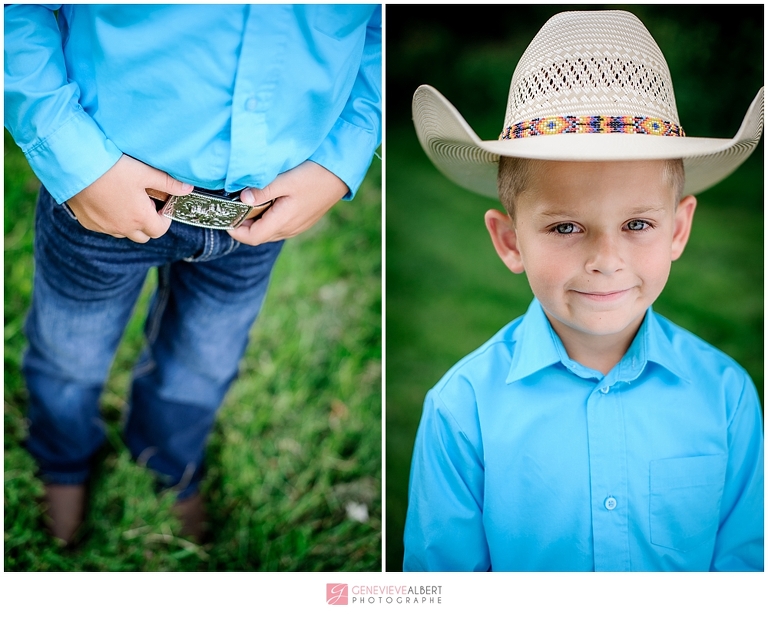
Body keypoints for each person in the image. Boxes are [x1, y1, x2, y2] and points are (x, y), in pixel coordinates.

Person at [4, 4, 382, 545]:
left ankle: (168, 457)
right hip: (106, 188)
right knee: (71, 352)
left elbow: (379, 29)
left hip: (255, 214)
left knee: (204, 359)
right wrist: (72, 152)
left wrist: (341, 157)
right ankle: (61, 458)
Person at [403, 10, 763, 571]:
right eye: (565, 227)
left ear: (679, 229)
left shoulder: (727, 399)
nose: (605, 260)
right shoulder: (461, 410)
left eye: (637, 225)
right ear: (509, 241)